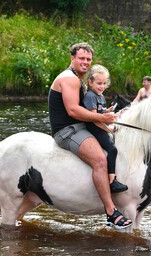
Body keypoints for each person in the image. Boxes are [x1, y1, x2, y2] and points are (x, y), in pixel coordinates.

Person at [48, 43, 132, 229]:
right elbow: (72, 110)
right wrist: (102, 117)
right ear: (73, 59)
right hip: (67, 130)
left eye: (88, 59)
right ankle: (111, 211)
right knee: (100, 159)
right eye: (82, 59)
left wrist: (104, 114)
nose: (85, 62)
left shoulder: (78, 79)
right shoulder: (69, 79)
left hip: (79, 127)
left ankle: (113, 183)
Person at [83, 64, 128, 194]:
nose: (101, 86)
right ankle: (112, 181)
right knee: (112, 149)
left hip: (100, 125)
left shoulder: (101, 96)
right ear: (90, 82)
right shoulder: (91, 96)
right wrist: (108, 130)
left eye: (103, 83)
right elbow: (94, 118)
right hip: (94, 128)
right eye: (98, 83)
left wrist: (108, 111)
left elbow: (100, 112)